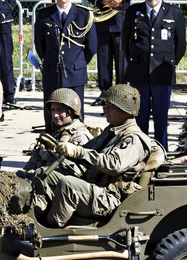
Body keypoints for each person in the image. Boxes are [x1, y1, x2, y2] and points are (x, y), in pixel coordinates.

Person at [42, 84, 156, 228]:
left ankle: (50, 230)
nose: (104, 109)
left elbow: (114, 165)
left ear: (125, 111)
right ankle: (35, 217)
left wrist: (78, 151)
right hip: (96, 187)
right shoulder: (111, 132)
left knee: (68, 184)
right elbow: (86, 153)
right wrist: (60, 148)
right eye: (105, 105)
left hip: (110, 198)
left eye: (110, 106)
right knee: (47, 175)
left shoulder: (135, 139)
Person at [121, 0, 187, 149]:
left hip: (162, 72)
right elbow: (125, 43)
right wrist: (135, 62)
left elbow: (180, 45)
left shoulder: (174, 12)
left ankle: (161, 152)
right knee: (140, 117)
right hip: (139, 73)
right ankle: (140, 151)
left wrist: (169, 64)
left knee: (161, 118)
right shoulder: (133, 11)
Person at [34, 0, 97, 129]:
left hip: (75, 71)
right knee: (52, 111)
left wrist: (78, 62)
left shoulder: (84, 14)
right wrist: (49, 60)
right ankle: (51, 142)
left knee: (75, 111)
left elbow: (91, 45)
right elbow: (40, 45)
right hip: (52, 71)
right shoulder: (44, 15)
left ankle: (77, 143)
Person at [86, 0, 142, 105]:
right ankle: (104, 93)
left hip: (120, 23)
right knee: (103, 60)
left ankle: (122, 92)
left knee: (121, 60)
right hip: (102, 24)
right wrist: (103, 1)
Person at [20, 88, 92, 176]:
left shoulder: (80, 136)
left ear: (71, 111)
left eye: (60, 110)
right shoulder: (55, 132)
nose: (55, 115)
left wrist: (38, 173)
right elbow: (32, 163)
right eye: (53, 110)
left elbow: (72, 171)